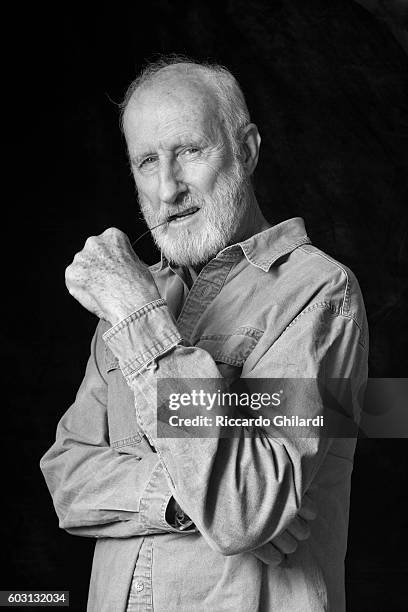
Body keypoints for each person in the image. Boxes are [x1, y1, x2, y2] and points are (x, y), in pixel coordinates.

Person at [40, 57, 368, 611]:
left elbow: (245, 506)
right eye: (147, 161)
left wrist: (138, 317)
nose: (168, 188)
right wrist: (184, 498)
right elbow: (66, 479)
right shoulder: (133, 299)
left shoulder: (321, 293)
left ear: (246, 148)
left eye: (190, 150)